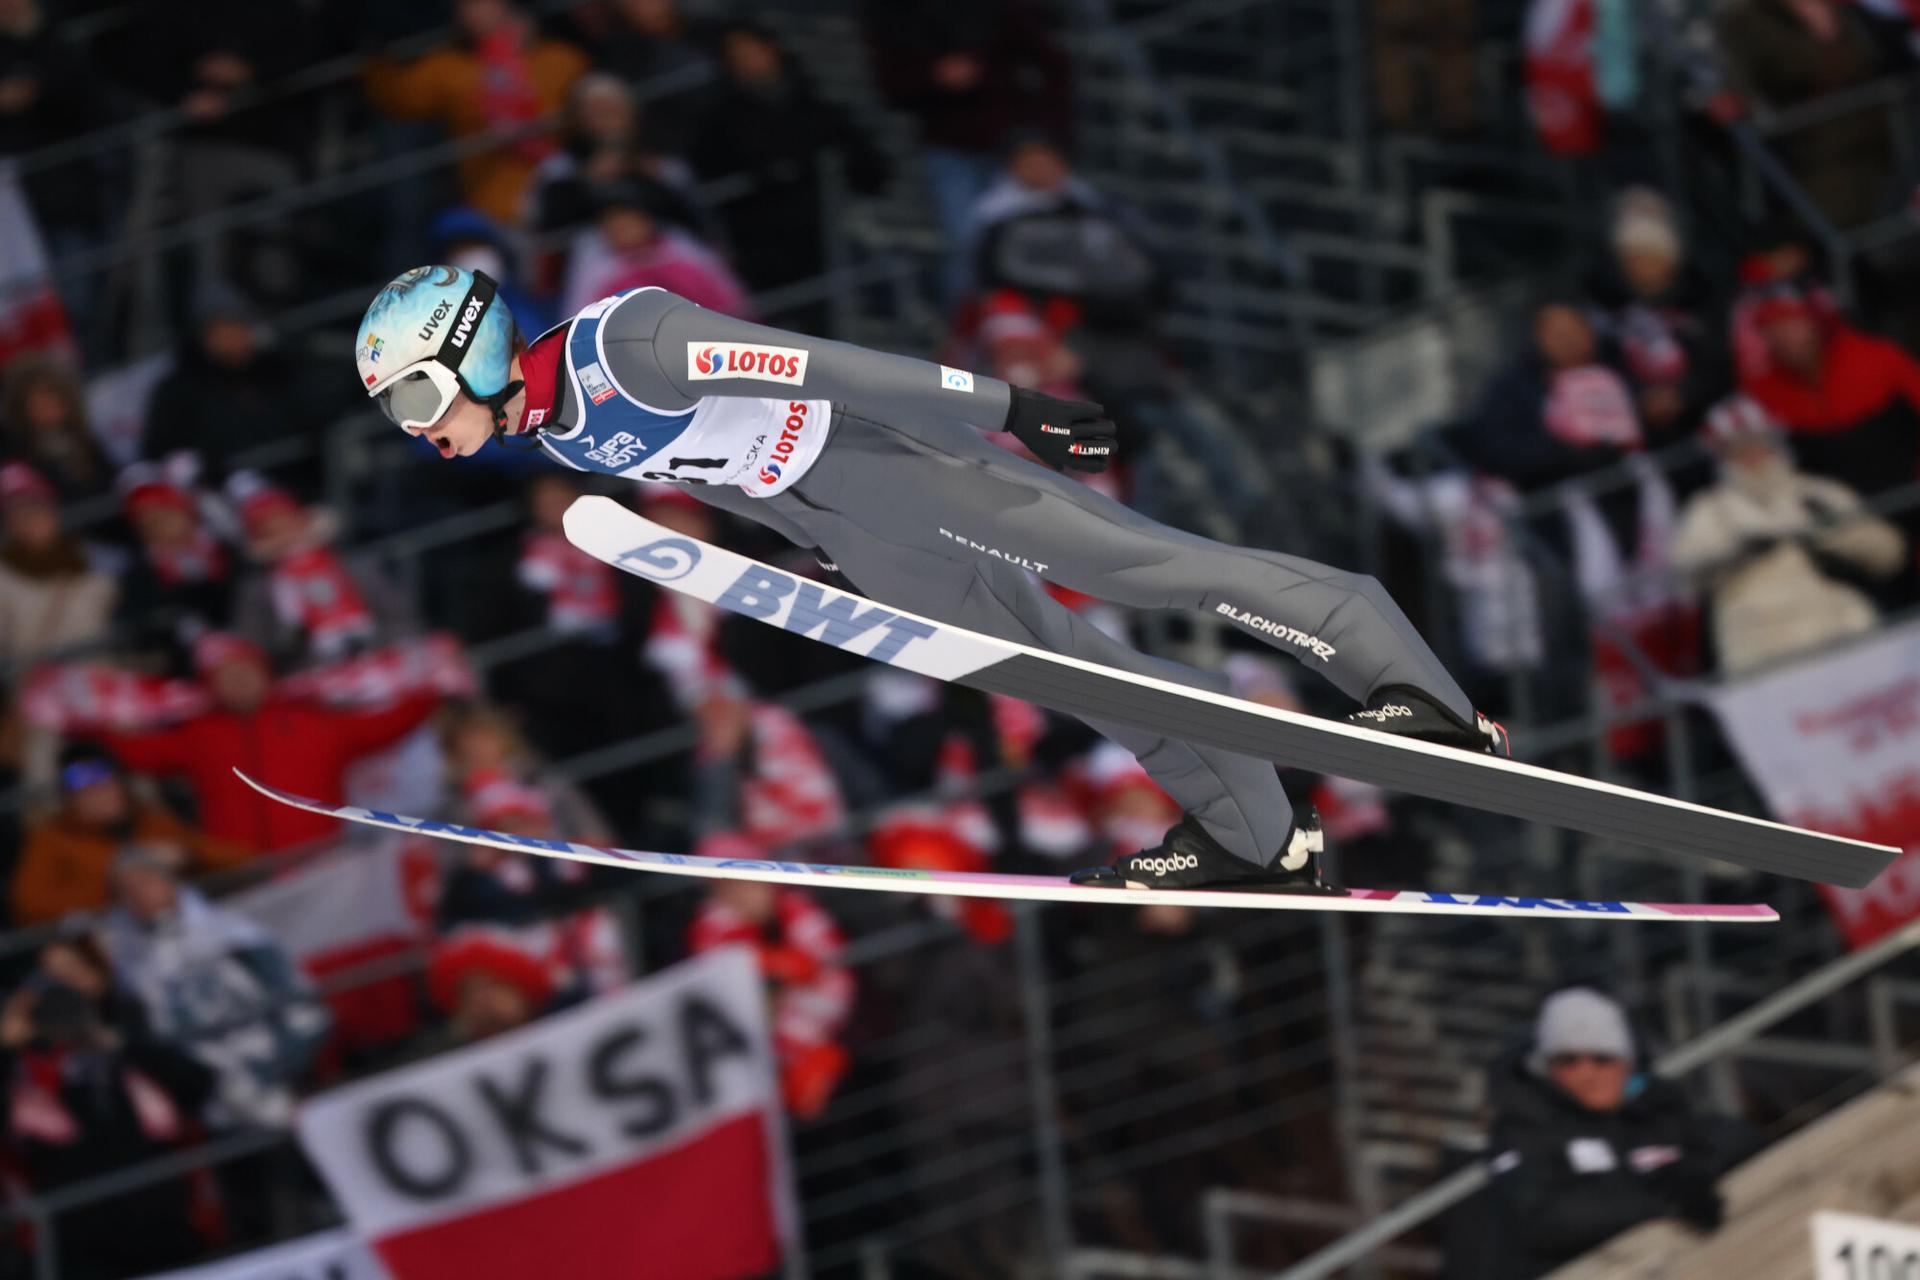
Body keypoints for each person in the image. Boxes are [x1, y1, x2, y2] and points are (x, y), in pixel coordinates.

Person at [351, 266, 1507, 893]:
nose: (417, 430)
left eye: (414, 399)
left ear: (476, 349)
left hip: (901, 460)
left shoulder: (628, 345)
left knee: (1154, 572)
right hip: (853, 525)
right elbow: (725, 475)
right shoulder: (555, 435)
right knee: (1068, 677)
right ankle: (1259, 833)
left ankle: (1419, 693)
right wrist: (827, 552)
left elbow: (825, 367)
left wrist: (1010, 411)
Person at [1473, 987, 1761, 1279]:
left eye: (1601, 1058)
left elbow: (1734, 1141)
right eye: (1567, 1060)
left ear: (1626, 1062)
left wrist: (1691, 1179)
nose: (1587, 1072)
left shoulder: (1658, 1108)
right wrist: (1661, 1201)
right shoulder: (1524, 1125)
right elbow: (1541, 1219)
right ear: (1547, 1066)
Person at [97, 632, 440, 853]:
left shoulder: (311, 720)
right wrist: (102, 724)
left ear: (264, 673)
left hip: (323, 867)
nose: (238, 682)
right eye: (225, 676)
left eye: (244, 671)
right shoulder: (200, 734)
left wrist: (431, 689)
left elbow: (383, 727)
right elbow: (143, 754)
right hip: (245, 877)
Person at [1669, 396, 1905, 672]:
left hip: (1838, 623)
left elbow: (1888, 553)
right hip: (1761, 643)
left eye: (1759, 442)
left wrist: (1831, 536)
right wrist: (1738, 554)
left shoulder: (1815, 493)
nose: (1752, 455)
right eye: (1737, 448)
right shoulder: (1710, 509)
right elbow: (1687, 570)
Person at [100, 846, 330, 1128]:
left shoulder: (233, 934)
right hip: (222, 1097)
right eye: (129, 890)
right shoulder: (133, 969)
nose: (142, 895)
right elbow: (155, 1041)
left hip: (288, 1063)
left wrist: (289, 1062)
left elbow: (296, 1000)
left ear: (169, 883)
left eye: (148, 882)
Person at [362, 0, 589, 225]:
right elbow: (401, 100)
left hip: (567, 191)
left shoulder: (562, 59)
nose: (473, 11)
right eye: (465, 6)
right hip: (489, 204)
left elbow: (594, 112)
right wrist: (375, 59)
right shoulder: (447, 66)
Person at [12, 744, 247, 925]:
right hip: (111, 960)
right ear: (69, 798)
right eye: (83, 788)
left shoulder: (152, 824)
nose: (96, 794)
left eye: (103, 781)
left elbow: (243, 861)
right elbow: (28, 906)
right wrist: (113, 884)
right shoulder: (54, 839)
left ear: (121, 783)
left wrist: (187, 855)